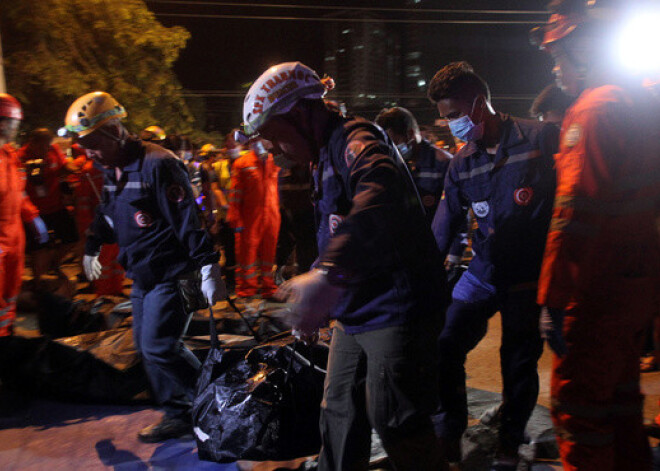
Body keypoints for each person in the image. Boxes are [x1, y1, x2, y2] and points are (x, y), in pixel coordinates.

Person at [239, 61, 448, 470]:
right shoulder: (323, 157)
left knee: (395, 418)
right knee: (338, 408)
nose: (272, 148)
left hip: (395, 306)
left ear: (298, 114)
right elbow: (334, 228)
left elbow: (379, 190)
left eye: (273, 136)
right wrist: (322, 295)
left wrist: (328, 275)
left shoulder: (358, 139)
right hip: (357, 309)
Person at [532, 1, 660, 469]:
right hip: (634, 288)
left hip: (595, 290)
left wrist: (551, 296)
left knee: (579, 410)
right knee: (621, 403)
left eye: (559, 55)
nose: (556, 66)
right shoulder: (643, 104)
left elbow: (573, 218)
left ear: (584, 48)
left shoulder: (595, 109)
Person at [62, 91, 225, 442]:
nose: (86, 152)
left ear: (114, 131)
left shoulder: (157, 164)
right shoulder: (114, 170)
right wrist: (92, 245)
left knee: (159, 346)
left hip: (175, 273)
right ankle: (179, 413)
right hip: (144, 275)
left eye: (90, 143)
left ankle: (216, 403)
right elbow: (109, 214)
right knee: (146, 346)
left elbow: (187, 220)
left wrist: (209, 266)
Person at [427, 61, 558, 470]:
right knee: (445, 343)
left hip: (528, 277)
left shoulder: (540, 139)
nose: (450, 126)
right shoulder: (461, 163)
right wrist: (421, 276)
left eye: (453, 116)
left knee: (517, 361)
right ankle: (449, 436)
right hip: (483, 272)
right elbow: (444, 227)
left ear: (478, 105)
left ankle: (508, 443)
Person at [0, 94, 48, 336]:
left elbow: (18, 193)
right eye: (13, 124)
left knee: (10, 292)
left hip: (13, 236)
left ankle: (6, 334)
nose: (15, 130)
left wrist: (32, 217)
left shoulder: (10, 155)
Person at [18, 128, 79, 291]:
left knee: (72, 237)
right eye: (42, 146)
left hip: (55, 206)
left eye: (47, 146)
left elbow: (65, 165)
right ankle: (39, 284)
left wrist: (76, 168)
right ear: (32, 143)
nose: (45, 150)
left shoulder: (53, 150)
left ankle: (53, 264)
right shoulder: (20, 157)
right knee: (39, 248)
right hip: (33, 211)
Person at [226, 136, 280, 300]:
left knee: (268, 254)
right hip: (249, 217)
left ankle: (267, 287)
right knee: (246, 255)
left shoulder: (274, 161)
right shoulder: (242, 163)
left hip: (271, 215)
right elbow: (235, 193)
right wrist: (235, 216)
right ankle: (246, 290)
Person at [274, 156, 317, 281]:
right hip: (292, 217)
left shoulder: (307, 168)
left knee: (307, 250)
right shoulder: (284, 171)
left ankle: (305, 275)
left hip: (307, 216)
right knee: (292, 247)